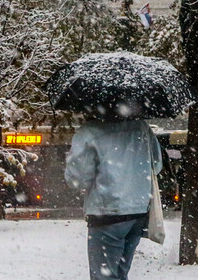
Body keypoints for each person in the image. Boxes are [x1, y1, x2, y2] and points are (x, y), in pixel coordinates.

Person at [65, 119, 163, 280]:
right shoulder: (141, 127)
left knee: (104, 276)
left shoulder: (89, 131)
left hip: (107, 212)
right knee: (120, 274)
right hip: (138, 211)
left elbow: (78, 178)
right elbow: (156, 165)